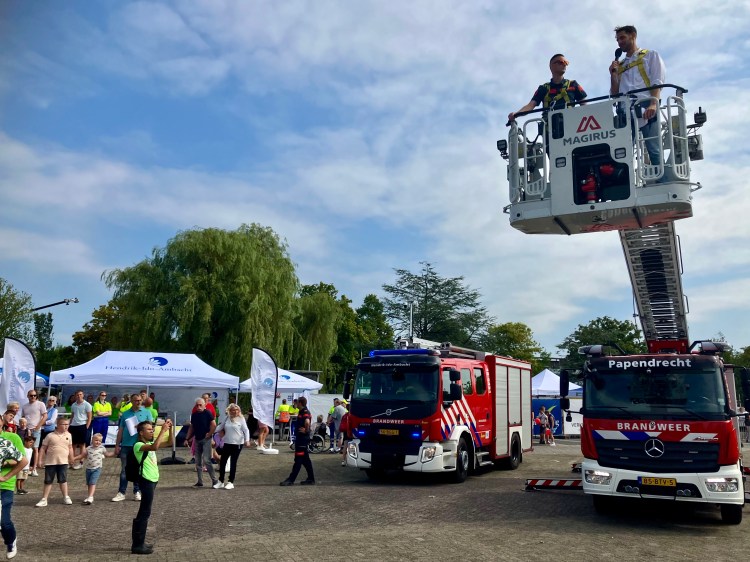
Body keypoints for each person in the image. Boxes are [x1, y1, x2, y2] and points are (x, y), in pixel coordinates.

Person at [609, 25, 666, 168]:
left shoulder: (650, 55)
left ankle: (663, 180)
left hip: (646, 105)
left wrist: (653, 103)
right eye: (617, 40)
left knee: (654, 150)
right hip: (625, 111)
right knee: (624, 152)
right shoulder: (620, 65)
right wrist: (613, 75)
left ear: (633, 35)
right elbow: (615, 94)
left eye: (622, 38)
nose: (619, 42)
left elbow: (657, 81)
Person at [131, 418, 173, 554]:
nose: (152, 431)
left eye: (152, 429)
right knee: (144, 511)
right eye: (149, 430)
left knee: (145, 511)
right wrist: (163, 430)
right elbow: (155, 447)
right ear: (141, 433)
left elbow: (170, 443)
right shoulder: (138, 445)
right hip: (146, 480)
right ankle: (137, 545)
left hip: (153, 480)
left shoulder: (150, 442)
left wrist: (170, 429)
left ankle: (140, 542)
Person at [508, 54, 587, 122]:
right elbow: (530, 105)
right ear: (551, 66)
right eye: (560, 62)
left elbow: (585, 107)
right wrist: (516, 114)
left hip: (571, 128)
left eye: (566, 63)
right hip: (549, 132)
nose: (564, 64)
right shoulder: (543, 88)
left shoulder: (573, 85)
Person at [112, 393, 153, 502]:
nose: (138, 402)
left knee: (139, 469)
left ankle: (137, 491)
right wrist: (117, 445)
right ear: (131, 401)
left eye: (140, 400)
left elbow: (151, 427)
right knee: (124, 469)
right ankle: (121, 492)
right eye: (136, 400)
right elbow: (120, 430)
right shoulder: (125, 414)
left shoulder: (146, 412)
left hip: (140, 445)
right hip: (126, 445)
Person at [0, 409, 28, 559]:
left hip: (5, 486)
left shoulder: (10, 439)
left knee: (3, 522)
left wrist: (6, 474)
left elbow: (22, 460)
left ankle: (10, 541)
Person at [35, 416, 74, 507]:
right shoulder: (50, 435)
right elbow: (43, 448)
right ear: (58, 425)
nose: (66, 426)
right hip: (50, 462)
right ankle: (44, 499)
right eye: (64, 424)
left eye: (67, 424)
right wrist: (40, 460)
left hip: (63, 462)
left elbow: (70, 447)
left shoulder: (69, 435)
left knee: (63, 480)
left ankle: (66, 496)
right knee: (48, 481)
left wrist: (72, 458)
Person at [213, 404, 251, 489]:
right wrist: (211, 431)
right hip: (227, 442)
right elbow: (220, 427)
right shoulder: (227, 418)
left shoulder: (241, 419)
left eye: (237, 410)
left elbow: (246, 430)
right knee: (222, 462)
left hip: (237, 444)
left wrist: (247, 440)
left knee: (233, 463)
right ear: (230, 411)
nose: (235, 411)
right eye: (233, 410)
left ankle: (231, 481)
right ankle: (221, 481)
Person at [280, 396, 314, 486]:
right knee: (306, 461)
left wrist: (306, 430)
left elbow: (307, 422)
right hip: (301, 439)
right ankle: (311, 478)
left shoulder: (305, 412)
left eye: (297, 402)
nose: (296, 404)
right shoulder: (302, 411)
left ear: (300, 403)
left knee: (298, 460)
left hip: (302, 440)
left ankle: (291, 479)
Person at [185, 398, 218, 488]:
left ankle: (215, 481)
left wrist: (210, 434)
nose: (198, 407)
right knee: (198, 461)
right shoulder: (194, 415)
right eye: (197, 405)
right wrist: (187, 438)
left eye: (200, 405)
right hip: (197, 439)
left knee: (207, 460)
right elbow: (191, 427)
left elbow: (214, 424)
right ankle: (200, 481)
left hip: (206, 439)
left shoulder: (207, 413)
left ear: (204, 405)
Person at [74, 432, 115, 505]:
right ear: (92, 440)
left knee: (93, 482)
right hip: (88, 468)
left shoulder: (102, 448)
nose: (98, 442)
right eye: (96, 440)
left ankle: (90, 497)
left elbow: (108, 454)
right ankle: (89, 496)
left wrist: (115, 452)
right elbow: (82, 455)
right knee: (89, 483)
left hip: (97, 468)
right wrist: (74, 458)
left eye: (99, 441)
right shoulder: (88, 448)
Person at [20, 389, 46, 478]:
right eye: (31, 395)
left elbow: (45, 416)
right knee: (26, 448)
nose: (33, 397)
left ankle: (34, 468)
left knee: (35, 448)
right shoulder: (24, 406)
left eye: (34, 395)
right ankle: (26, 467)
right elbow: (23, 417)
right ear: (28, 396)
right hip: (27, 430)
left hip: (36, 429)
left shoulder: (40, 404)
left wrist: (39, 426)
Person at [69, 390, 92, 467]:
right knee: (73, 445)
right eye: (77, 395)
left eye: (80, 394)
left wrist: (86, 427)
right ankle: (71, 461)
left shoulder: (87, 405)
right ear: (75, 396)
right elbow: (72, 416)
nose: (79, 396)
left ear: (83, 395)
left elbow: (89, 417)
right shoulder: (73, 405)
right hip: (73, 426)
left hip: (82, 425)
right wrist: (69, 424)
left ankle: (81, 462)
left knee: (82, 445)